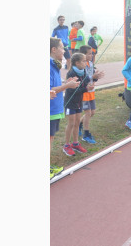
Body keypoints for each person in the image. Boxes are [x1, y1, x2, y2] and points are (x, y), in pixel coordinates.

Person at [50, 38, 80, 179]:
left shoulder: (54, 65)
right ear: (53, 50)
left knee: (50, 139)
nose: (65, 50)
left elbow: (55, 85)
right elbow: (50, 89)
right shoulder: (49, 65)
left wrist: (65, 82)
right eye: (62, 48)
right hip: (50, 110)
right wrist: (67, 86)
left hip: (55, 110)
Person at [62, 52, 94, 156]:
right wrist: (86, 88)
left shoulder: (83, 71)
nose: (86, 63)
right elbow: (72, 90)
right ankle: (66, 145)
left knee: (76, 123)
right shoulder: (71, 73)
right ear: (77, 63)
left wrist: (93, 79)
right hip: (70, 102)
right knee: (71, 123)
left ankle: (75, 143)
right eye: (84, 61)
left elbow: (86, 81)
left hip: (79, 102)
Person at [78, 45, 105, 144]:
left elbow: (92, 78)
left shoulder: (91, 63)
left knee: (92, 112)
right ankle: (86, 134)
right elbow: (82, 79)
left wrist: (96, 77)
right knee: (88, 113)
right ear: (83, 55)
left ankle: (79, 124)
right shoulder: (81, 66)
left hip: (91, 92)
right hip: (84, 92)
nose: (92, 55)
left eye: (92, 53)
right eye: (89, 53)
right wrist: (92, 76)